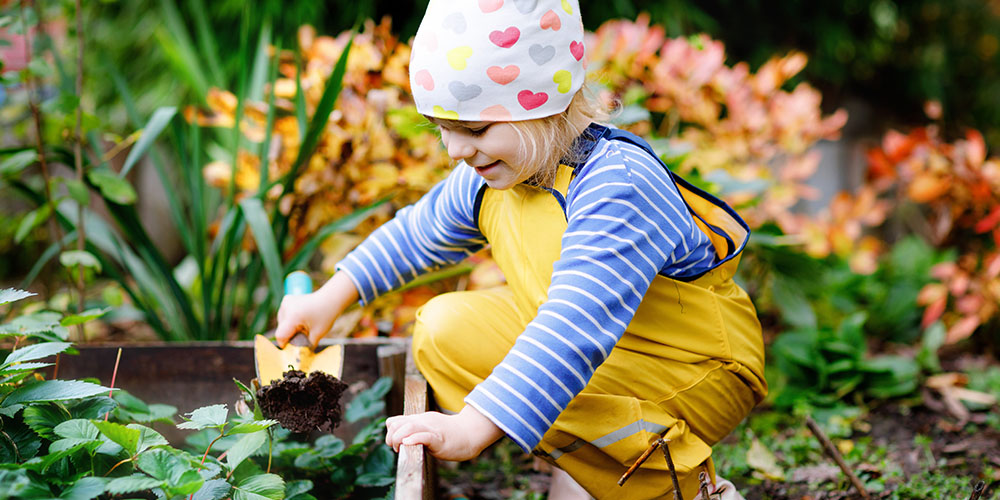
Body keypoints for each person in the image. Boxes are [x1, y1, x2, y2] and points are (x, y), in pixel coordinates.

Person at [274, 1, 766, 498]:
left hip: (693, 366)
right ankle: (590, 463)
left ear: (545, 108)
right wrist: (330, 298)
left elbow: (573, 329)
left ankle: (686, 487)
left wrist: (472, 427)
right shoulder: (491, 175)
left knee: (553, 366)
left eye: (475, 130)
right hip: (609, 352)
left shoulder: (617, 183)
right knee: (442, 332)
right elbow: (416, 234)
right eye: (442, 128)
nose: (455, 150)